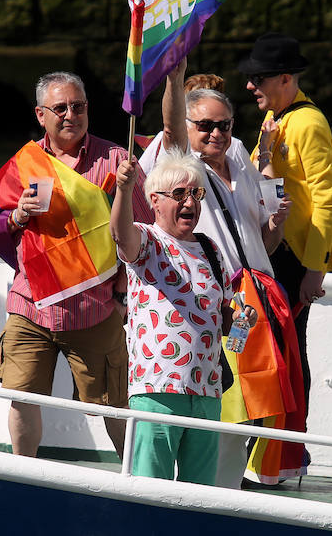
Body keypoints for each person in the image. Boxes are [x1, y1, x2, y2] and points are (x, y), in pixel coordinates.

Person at [139, 58, 293, 488]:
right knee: (228, 403)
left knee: (260, 406)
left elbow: (263, 242)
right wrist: (172, 74)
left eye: (224, 125)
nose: (216, 134)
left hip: (256, 297)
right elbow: (170, 131)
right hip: (216, 298)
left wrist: (276, 222)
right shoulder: (179, 162)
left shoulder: (240, 152)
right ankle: (214, 491)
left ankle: (234, 491)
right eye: (205, 125)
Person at [0, 71, 153, 458]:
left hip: (96, 307)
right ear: (41, 114)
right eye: (60, 108)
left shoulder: (118, 161)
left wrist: (126, 296)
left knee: (115, 404)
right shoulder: (24, 164)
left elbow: (144, 234)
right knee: (22, 397)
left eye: (78, 106)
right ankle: (21, 477)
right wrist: (17, 217)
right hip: (31, 304)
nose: (70, 115)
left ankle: (137, 483)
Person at [110, 149, 256, 484]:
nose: (189, 202)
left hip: (207, 393)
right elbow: (120, 234)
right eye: (179, 194)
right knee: (150, 489)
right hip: (157, 389)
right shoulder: (147, 241)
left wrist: (243, 322)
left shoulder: (211, 250)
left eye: (196, 193)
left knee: (200, 494)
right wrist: (122, 189)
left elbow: (228, 331)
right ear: (155, 201)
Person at [239, 32, 332, 414]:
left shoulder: (308, 124)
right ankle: (271, 443)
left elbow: (328, 200)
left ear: (285, 79)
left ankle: (289, 445)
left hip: (295, 260)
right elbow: (270, 187)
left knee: (289, 347)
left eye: (258, 79)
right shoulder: (274, 120)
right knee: (267, 344)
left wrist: (315, 269)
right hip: (271, 250)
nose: (249, 85)